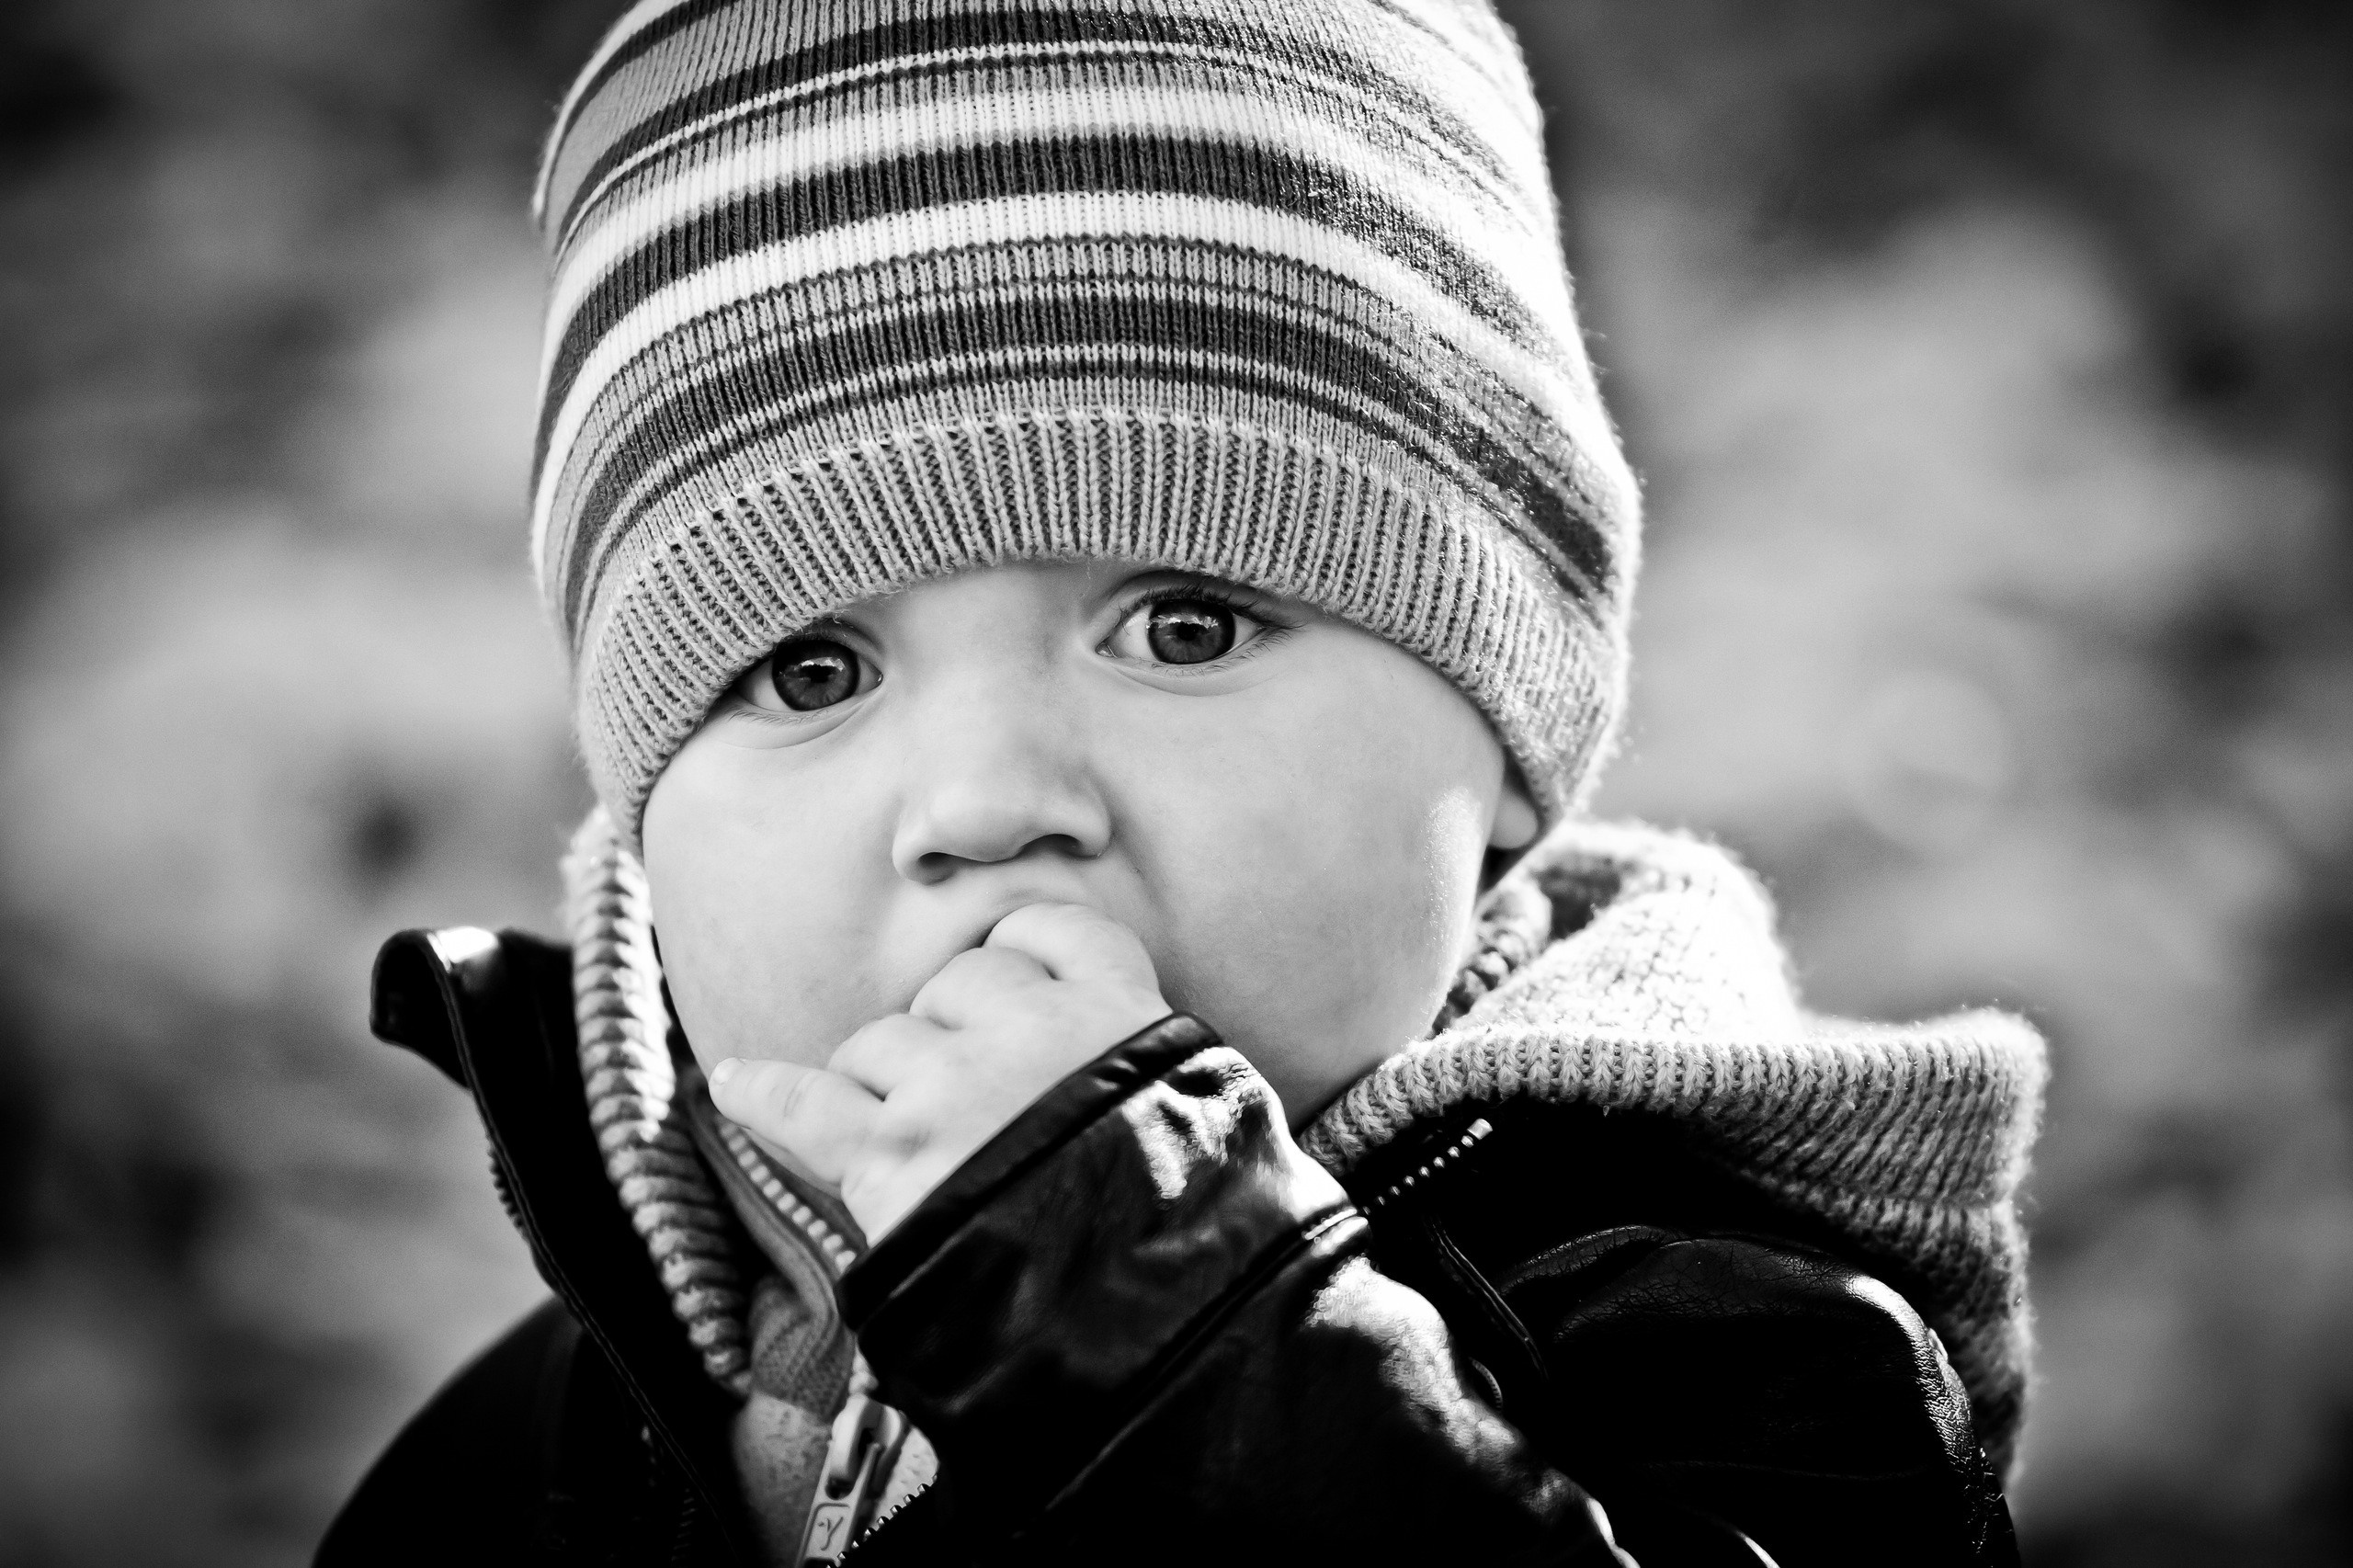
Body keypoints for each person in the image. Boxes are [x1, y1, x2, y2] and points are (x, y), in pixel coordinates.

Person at [319, 1, 2043, 1562]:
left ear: (1509, 744)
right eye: (811, 672)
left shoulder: (1720, 1332)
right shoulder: (531, 1448)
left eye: (1189, 624)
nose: (990, 800)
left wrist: (1175, 1336)